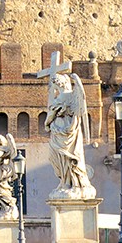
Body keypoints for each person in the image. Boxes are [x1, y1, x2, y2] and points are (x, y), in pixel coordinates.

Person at [43, 70, 95, 199]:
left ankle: (72, 183)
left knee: (66, 158)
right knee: (60, 158)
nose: (55, 86)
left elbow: (51, 115)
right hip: (59, 133)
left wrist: (47, 124)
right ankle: (65, 182)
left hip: (66, 132)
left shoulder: (64, 97)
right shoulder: (66, 96)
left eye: (56, 83)